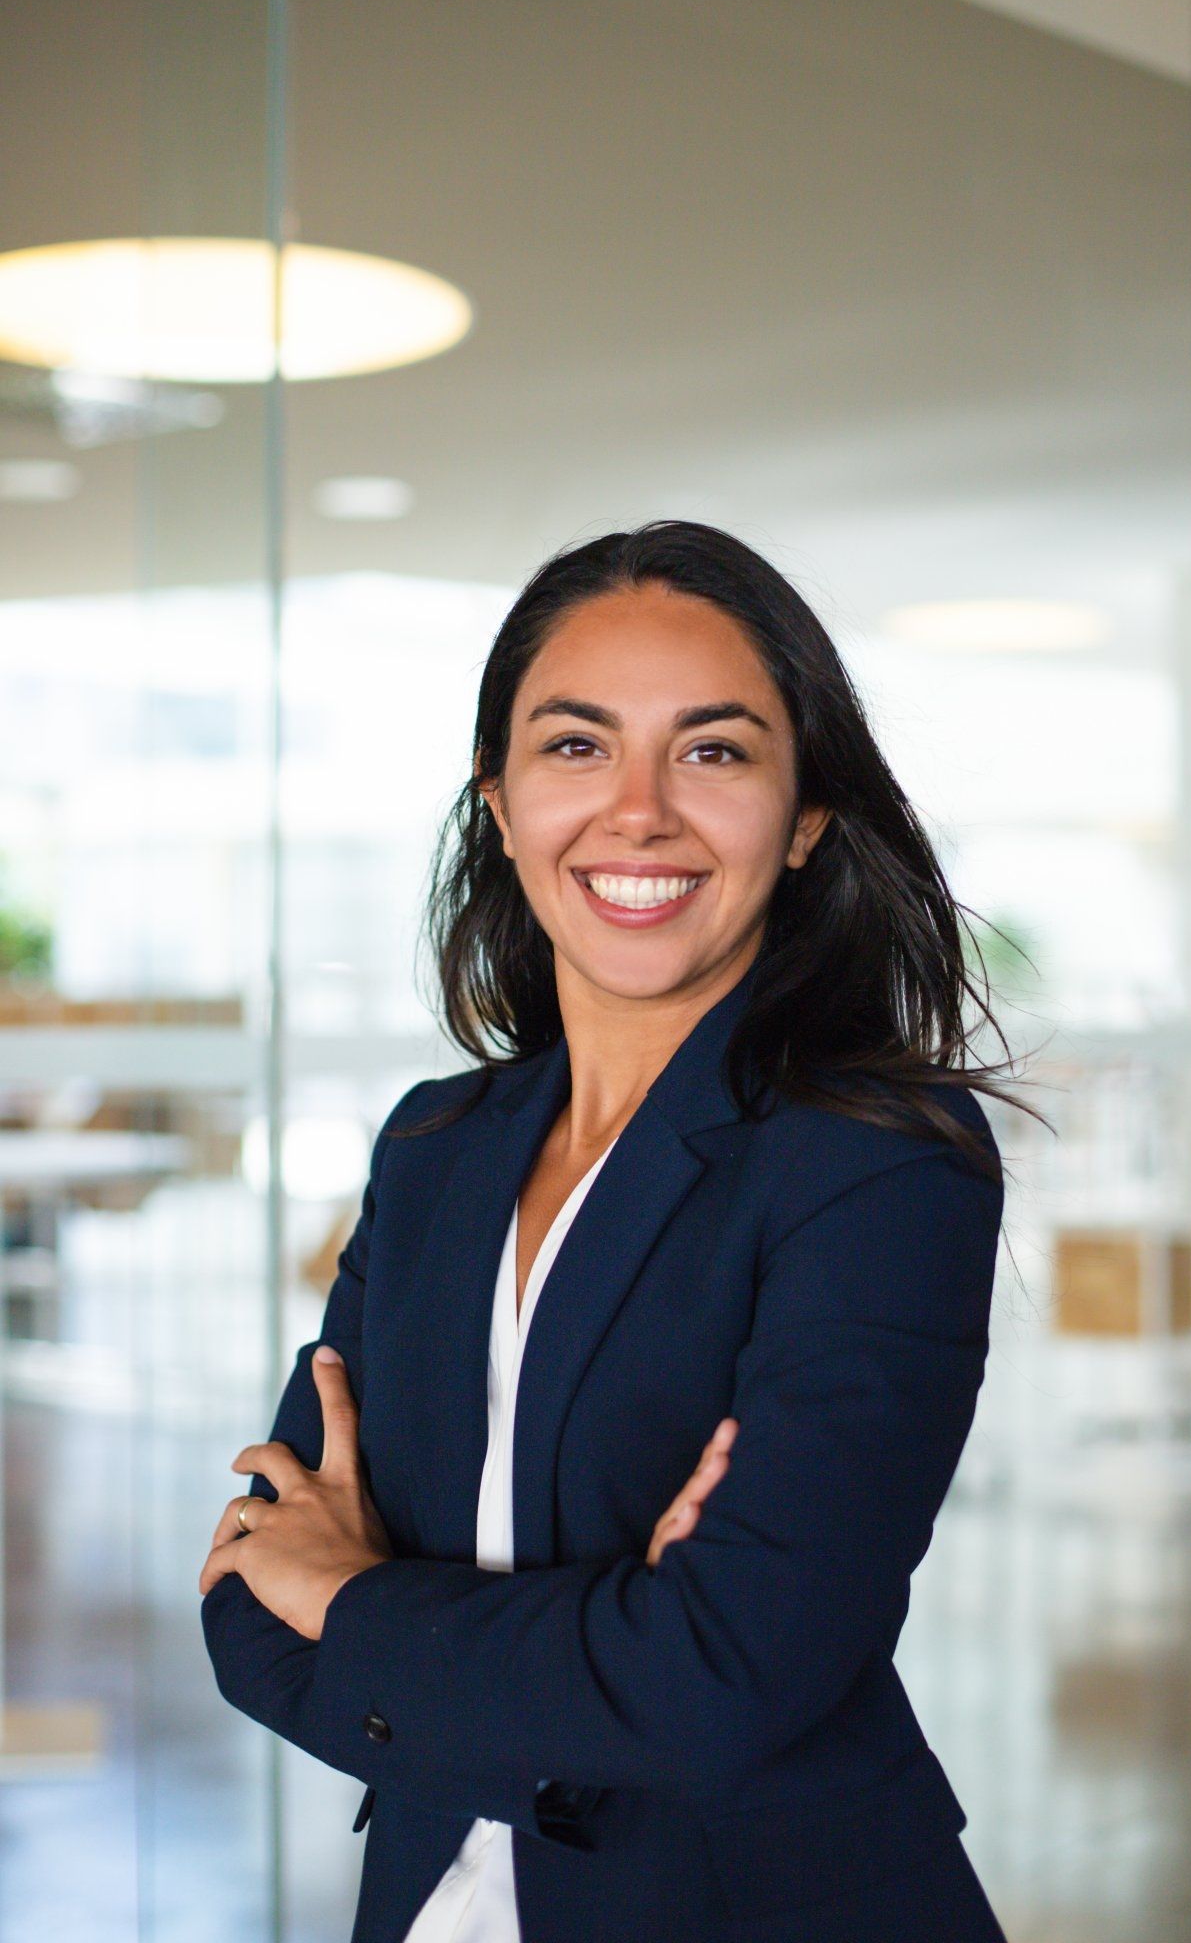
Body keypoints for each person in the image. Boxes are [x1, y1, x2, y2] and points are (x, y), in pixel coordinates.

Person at [200, 519, 1037, 1942]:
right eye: (575, 746)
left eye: (713, 751)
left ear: (804, 818)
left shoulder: (877, 1163)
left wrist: (361, 1601)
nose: (637, 812)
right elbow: (246, 1611)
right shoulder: (434, 1146)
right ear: (499, 801)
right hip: (429, 1900)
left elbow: (722, 1674)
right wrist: (595, 1649)